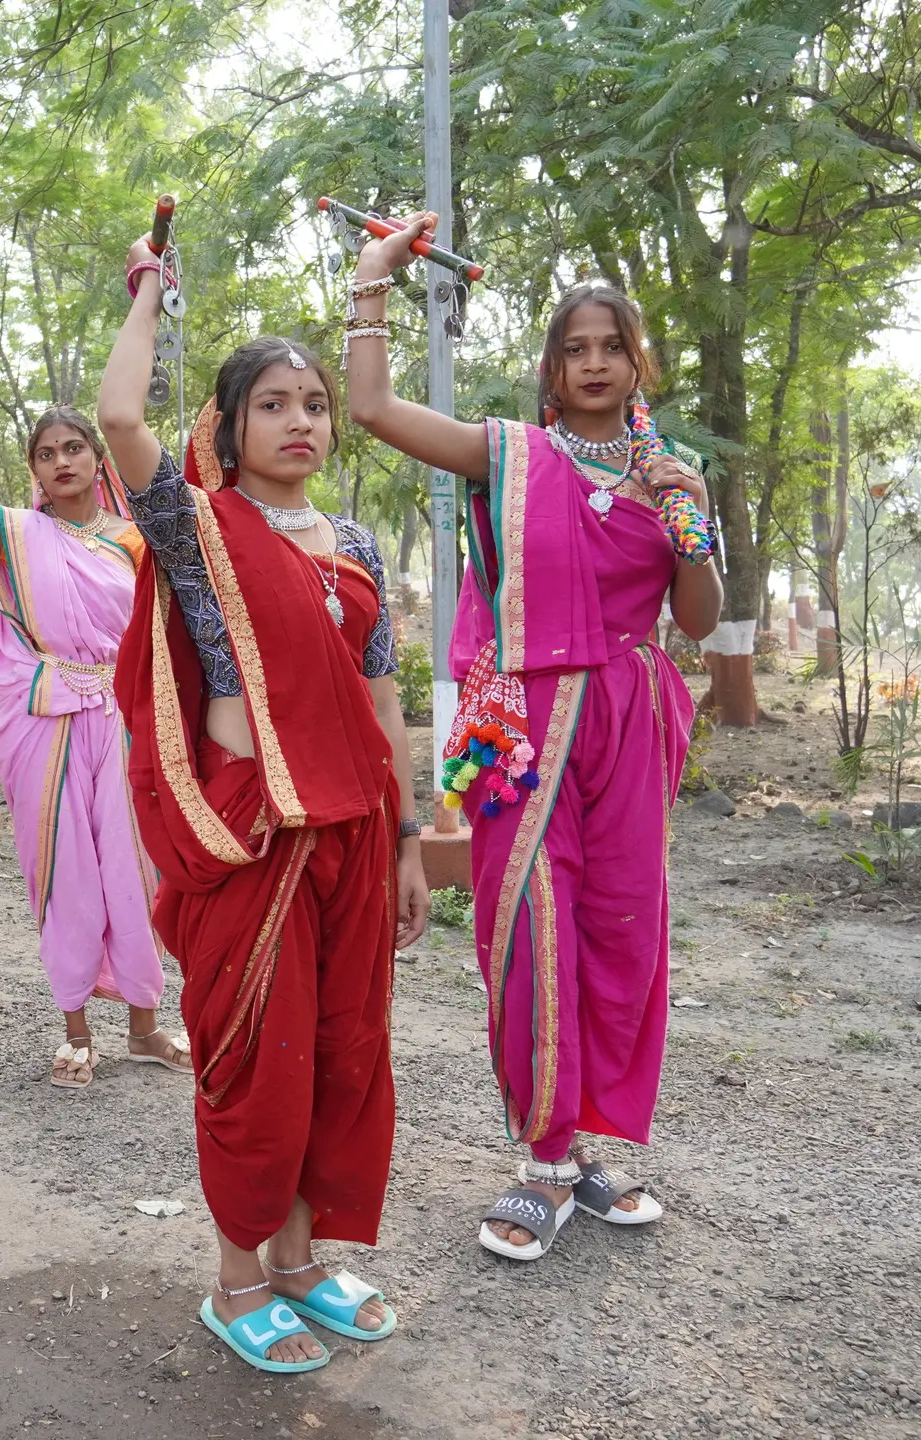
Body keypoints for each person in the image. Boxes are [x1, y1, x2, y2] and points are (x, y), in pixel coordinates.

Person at [342, 215, 717, 1263]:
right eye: (574, 348)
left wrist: (690, 518)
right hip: (519, 726)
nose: (594, 362)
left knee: (619, 933)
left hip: (629, 726)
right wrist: (375, 279)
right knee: (526, 931)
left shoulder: (674, 472)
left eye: (612, 346)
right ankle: (542, 1162)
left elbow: (695, 616)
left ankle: (583, 1150)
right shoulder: (509, 455)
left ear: (639, 362)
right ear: (552, 367)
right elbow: (371, 407)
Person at [98, 231, 431, 1374]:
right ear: (228, 429)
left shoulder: (360, 549)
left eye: (317, 404)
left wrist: (409, 843)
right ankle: (237, 1280)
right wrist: (148, 293)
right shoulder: (197, 533)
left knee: (339, 1050)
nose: (301, 422)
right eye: (273, 404)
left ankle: (300, 1262)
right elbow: (119, 422)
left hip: (351, 834)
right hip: (250, 839)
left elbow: (384, 707)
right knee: (255, 1057)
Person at [0, 345, 182, 1089]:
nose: (61, 462)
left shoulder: (136, 539)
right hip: (44, 726)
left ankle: (144, 1027)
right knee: (63, 874)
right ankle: (76, 1031)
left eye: (74, 448)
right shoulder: (13, 535)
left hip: (121, 720)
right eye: (47, 453)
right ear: (35, 469)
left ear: (96, 456)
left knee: (134, 869)